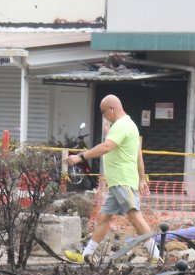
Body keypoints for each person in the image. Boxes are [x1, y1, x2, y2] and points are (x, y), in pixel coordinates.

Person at [64, 94, 161, 264]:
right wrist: (141, 179)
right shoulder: (129, 125)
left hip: (122, 181)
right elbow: (138, 156)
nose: (103, 116)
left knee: (135, 217)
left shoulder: (122, 125)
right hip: (118, 182)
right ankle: (86, 255)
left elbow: (107, 146)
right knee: (103, 218)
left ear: (112, 109)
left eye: (103, 112)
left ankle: (156, 257)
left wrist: (81, 157)